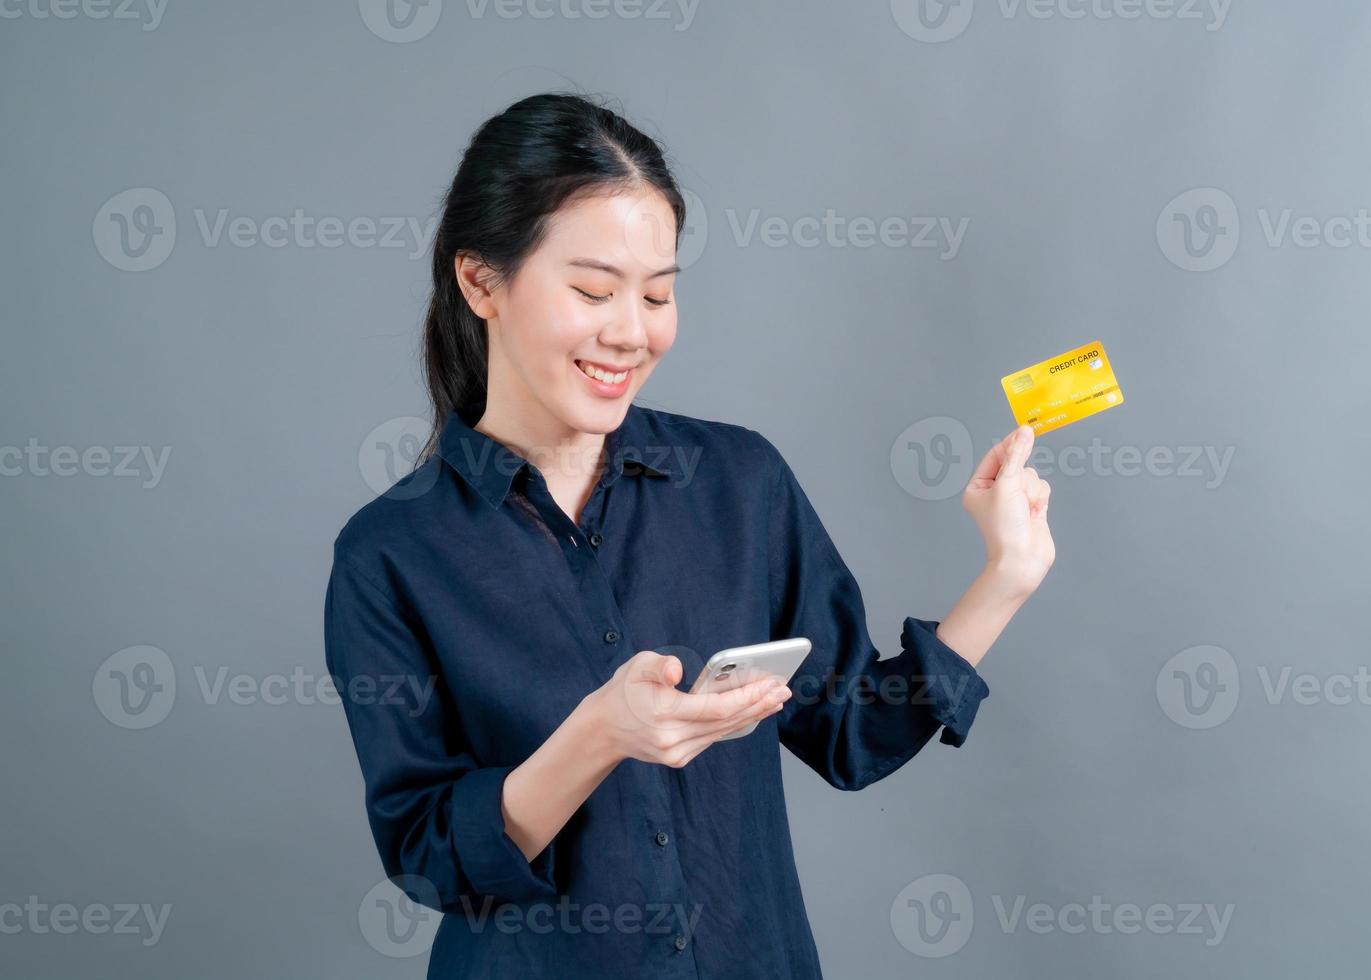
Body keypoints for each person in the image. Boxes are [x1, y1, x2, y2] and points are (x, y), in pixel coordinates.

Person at [323, 91, 1055, 979]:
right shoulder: (392, 553)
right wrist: (597, 734)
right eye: (593, 290)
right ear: (481, 282)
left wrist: (1006, 576)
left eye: (658, 294)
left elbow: (854, 734)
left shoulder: (740, 485)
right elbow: (432, 857)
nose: (631, 332)